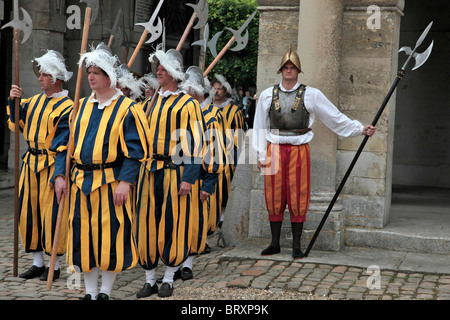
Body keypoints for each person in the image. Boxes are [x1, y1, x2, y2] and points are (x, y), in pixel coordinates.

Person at [252, 47, 377, 259]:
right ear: (281, 70)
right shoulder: (266, 95)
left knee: (298, 195)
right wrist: (260, 154)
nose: (289, 70)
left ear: (298, 71)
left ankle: (296, 246)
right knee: (273, 196)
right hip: (274, 149)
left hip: (299, 150)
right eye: (286, 67)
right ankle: (274, 243)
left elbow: (334, 117)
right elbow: (259, 127)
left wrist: (359, 128)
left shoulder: (312, 94)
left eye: (292, 68)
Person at [52, 43, 151, 300]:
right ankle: (90, 292)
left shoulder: (128, 109)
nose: (91, 77)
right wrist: (60, 175)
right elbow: (65, 145)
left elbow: (136, 151)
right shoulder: (80, 106)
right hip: (79, 182)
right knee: (82, 235)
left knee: (110, 235)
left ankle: (105, 291)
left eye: (96, 72)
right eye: (89, 72)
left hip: (110, 182)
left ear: (109, 76)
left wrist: (126, 182)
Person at [135, 48, 205, 298]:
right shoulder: (149, 103)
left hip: (174, 172)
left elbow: (196, 144)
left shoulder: (187, 105)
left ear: (174, 73)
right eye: (158, 67)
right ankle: (149, 279)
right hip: (149, 171)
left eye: (163, 68)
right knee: (146, 223)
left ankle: (168, 278)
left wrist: (188, 178)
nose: (158, 71)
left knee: (172, 224)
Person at [7, 50, 73, 281]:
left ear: (54, 79)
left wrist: (60, 173)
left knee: (51, 214)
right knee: (29, 211)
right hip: (30, 163)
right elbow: (17, 121)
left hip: (52, 164)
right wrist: (13, 99)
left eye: (44, 75)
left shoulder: (68, 107)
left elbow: (64, 141)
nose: (39, 78)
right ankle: (37, 263)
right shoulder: (33, 101)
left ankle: (53, 265)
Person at [174, 66, 225, 279]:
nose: (184, 92)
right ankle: (174, 263)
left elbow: (215, 151)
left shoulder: (211, 117)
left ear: (197, 92)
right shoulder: (180, 110)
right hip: (177, 173)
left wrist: (209, 182)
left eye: (188, 89)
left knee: (193, 222)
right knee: (176, 222)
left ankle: (188, 264)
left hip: (199, 176)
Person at [211, 75, 245, 230]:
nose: (216, 92)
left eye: (220, 89)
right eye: (214, 88)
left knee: (225, 188)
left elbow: (239, 136)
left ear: (226, 91)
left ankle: (223, 218)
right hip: (207, 155)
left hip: (227, 156)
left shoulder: (234, 111)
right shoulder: (205, 108)